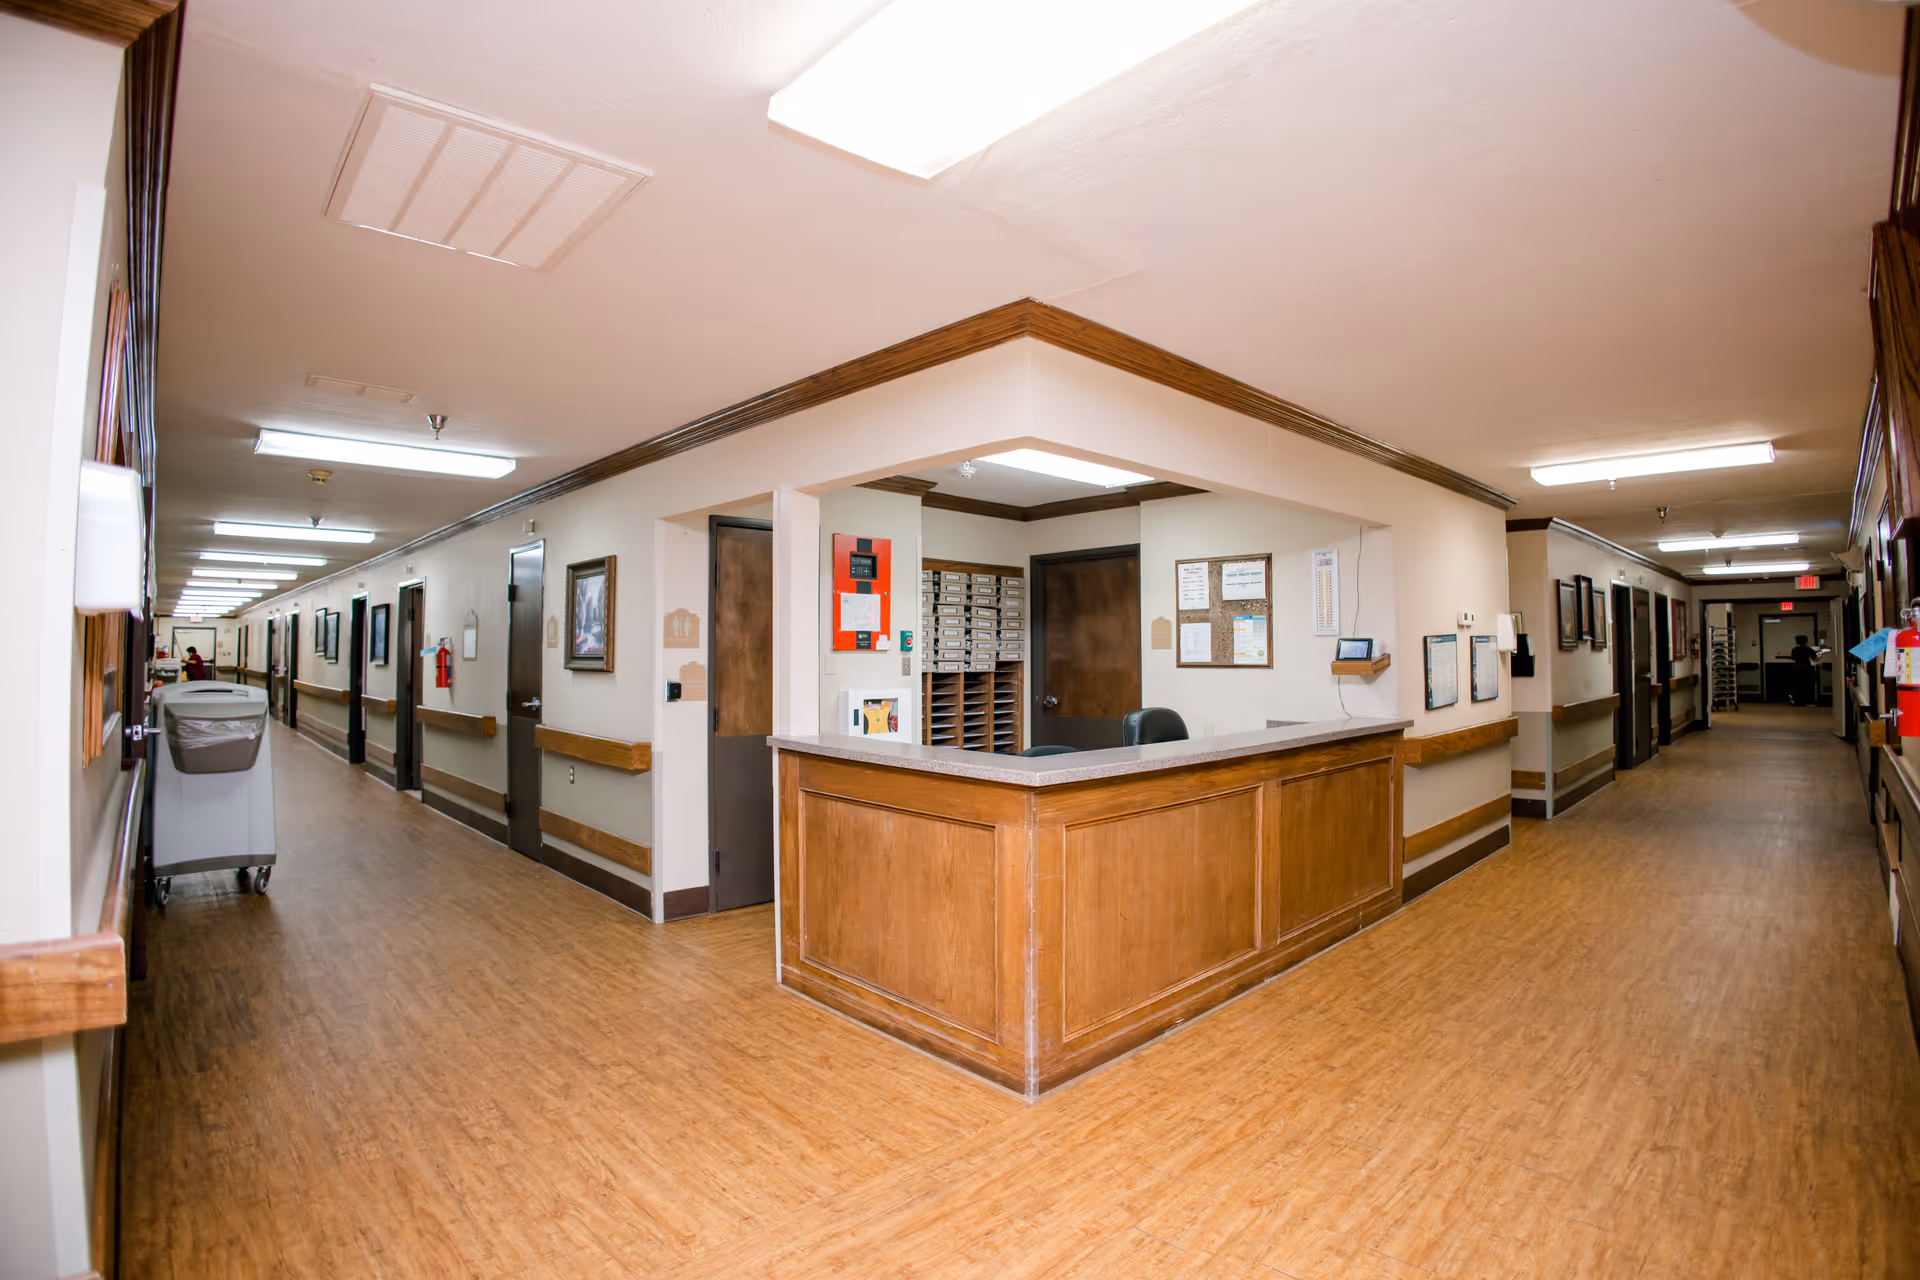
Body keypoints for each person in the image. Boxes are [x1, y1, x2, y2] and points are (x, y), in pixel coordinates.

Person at [1787, 634, 1817, 706]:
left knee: (1798, 685)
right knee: (1807, 686)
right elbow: (1815, 659)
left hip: (1797, 669)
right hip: (1806, 669)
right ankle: (1807, 701)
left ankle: (1797, 700)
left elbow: (1793, 658)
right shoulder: (1808, 649)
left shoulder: (1794, 649)